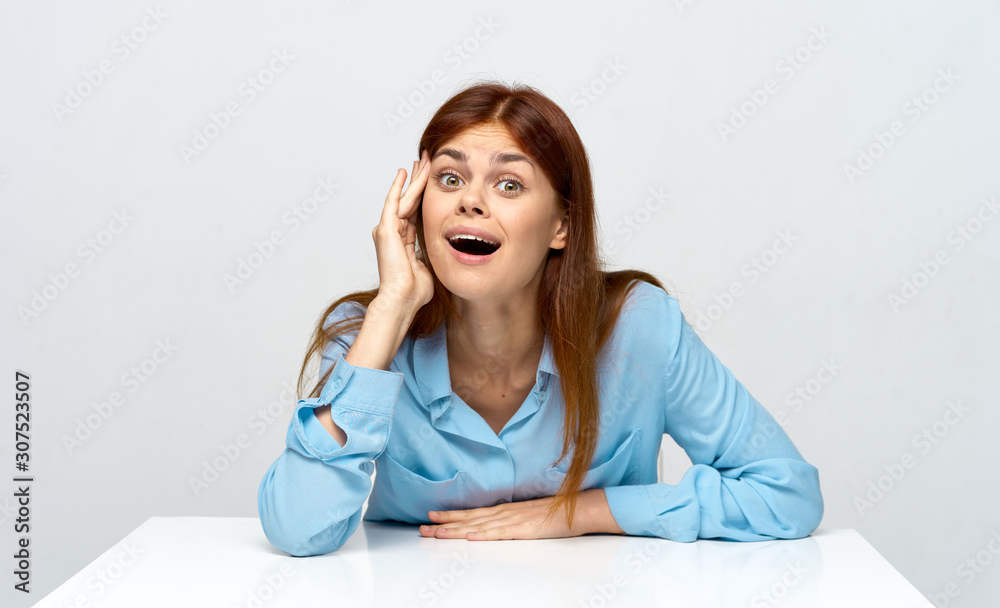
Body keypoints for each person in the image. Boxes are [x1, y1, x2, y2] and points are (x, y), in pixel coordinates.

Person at [257, 80, 824, 557]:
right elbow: (297, 527)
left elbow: (788, 493)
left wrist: (583, 511)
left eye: (509, 184)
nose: (470, 201)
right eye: (450, 178)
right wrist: (390, 311)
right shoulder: (370, 336)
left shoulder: (640, 329)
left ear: (562, 226)